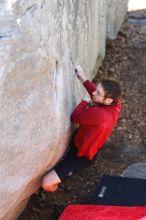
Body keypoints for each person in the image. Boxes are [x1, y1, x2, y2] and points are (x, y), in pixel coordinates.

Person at [41, 65, 122, 192]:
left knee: (47, 183)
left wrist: (84, 101)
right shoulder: (116, 103)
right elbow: (96, 97)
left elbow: (74, 117)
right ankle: (62, 171)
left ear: (108, 100)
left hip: (81, 156)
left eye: (98, 92)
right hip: (82, 141)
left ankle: (58, 184)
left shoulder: (100, 114)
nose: (94, 93)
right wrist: (82, 77)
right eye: (97, 90)